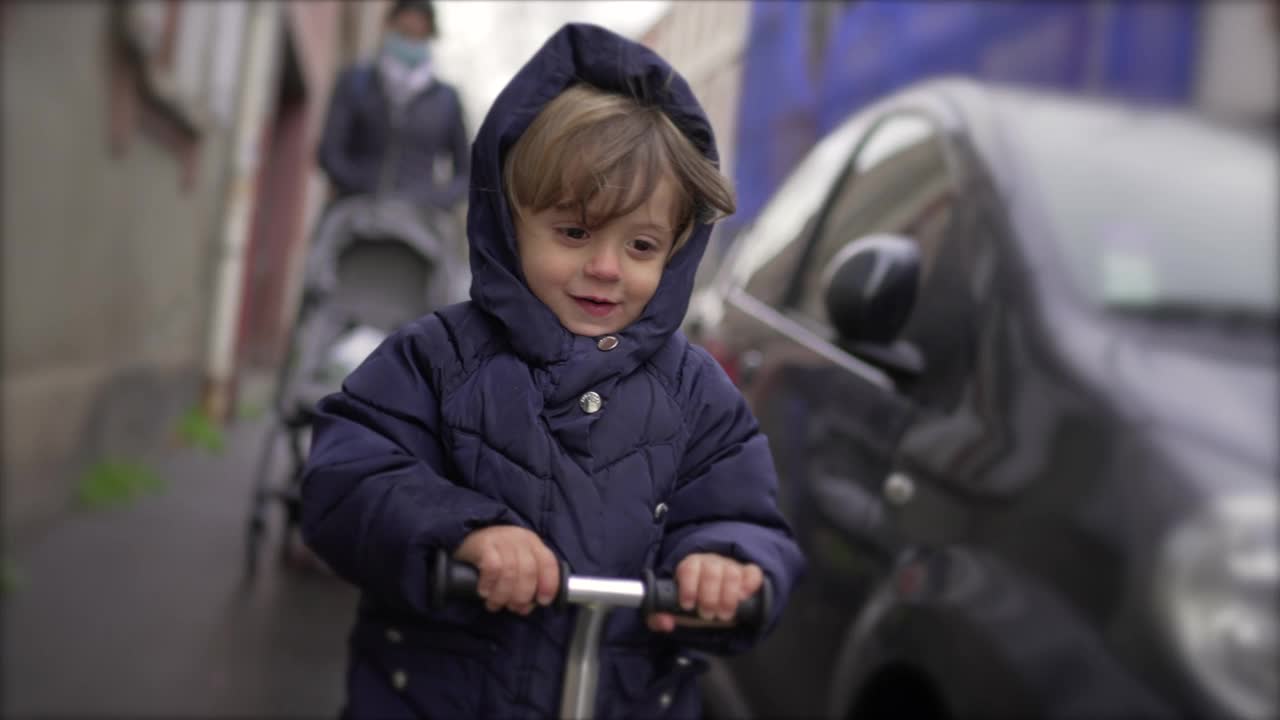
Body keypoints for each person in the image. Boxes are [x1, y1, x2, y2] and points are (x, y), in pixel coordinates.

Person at [300, 22, 806, 719]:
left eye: (641, 245)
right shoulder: (438, 357)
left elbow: (745, 518)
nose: (605, 267)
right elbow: (346, 476)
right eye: (573, 233)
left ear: (677, 252)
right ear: (511, 222)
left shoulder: (698, 398)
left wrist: (724, 564)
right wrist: (464, 531)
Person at [317, 0, 469, 211]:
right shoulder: (354, 82)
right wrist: (360, 186)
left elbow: (465, 172)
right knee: (327, 243)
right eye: (404, 31)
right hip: (354, 208)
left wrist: (433, 199)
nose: (410, 41)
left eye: (419, 34)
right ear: (388, 27)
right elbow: (329, 152)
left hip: (421, 216)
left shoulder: (447, 99)